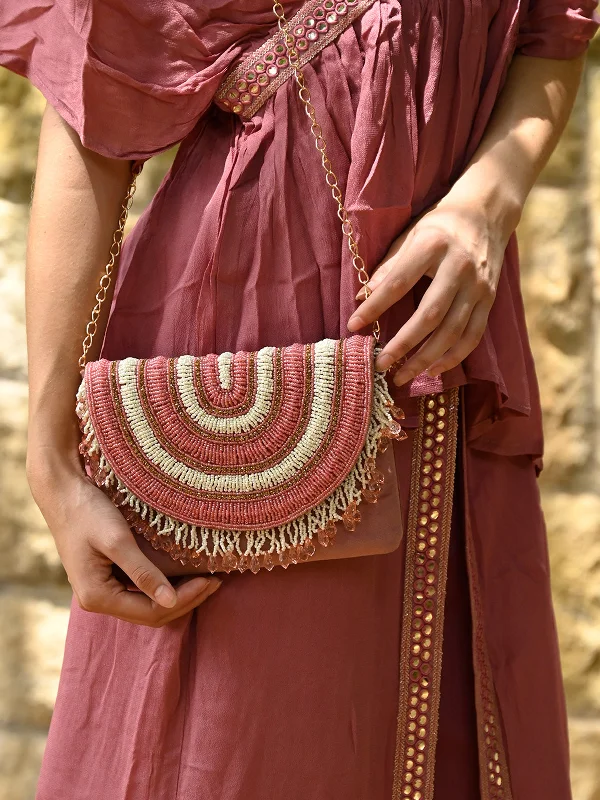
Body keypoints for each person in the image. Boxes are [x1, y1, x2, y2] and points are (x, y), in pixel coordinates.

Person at [1, 1, 598, 798]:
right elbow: (90, 114)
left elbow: (552, 33)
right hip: (251, 344)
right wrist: (52, 461)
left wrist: (488, 200)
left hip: (448, 335)